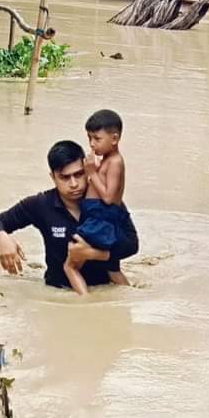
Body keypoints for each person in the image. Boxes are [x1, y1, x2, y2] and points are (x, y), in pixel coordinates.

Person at [0, 139, 139, 289]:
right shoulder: (41, 204)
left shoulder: (104, 200)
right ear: (53, 177)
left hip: (105, 290)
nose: (73, 184)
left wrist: (92, 253)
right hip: (58, 291)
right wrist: (1, 237)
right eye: (65, 177)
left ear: (87, 170)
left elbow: (132, 245)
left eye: (78, 174)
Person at [63, 109, 130, 296]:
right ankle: (130, 297)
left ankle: (86, 302)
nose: (92, 144)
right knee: (112, 270)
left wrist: (92, 172)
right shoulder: (108, 160)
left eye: (97, 139)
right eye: (89, 138)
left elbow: (109, 197)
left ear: (114, 139)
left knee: (70, 264)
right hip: (97, 216)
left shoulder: (115, 162)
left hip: (99, 220)